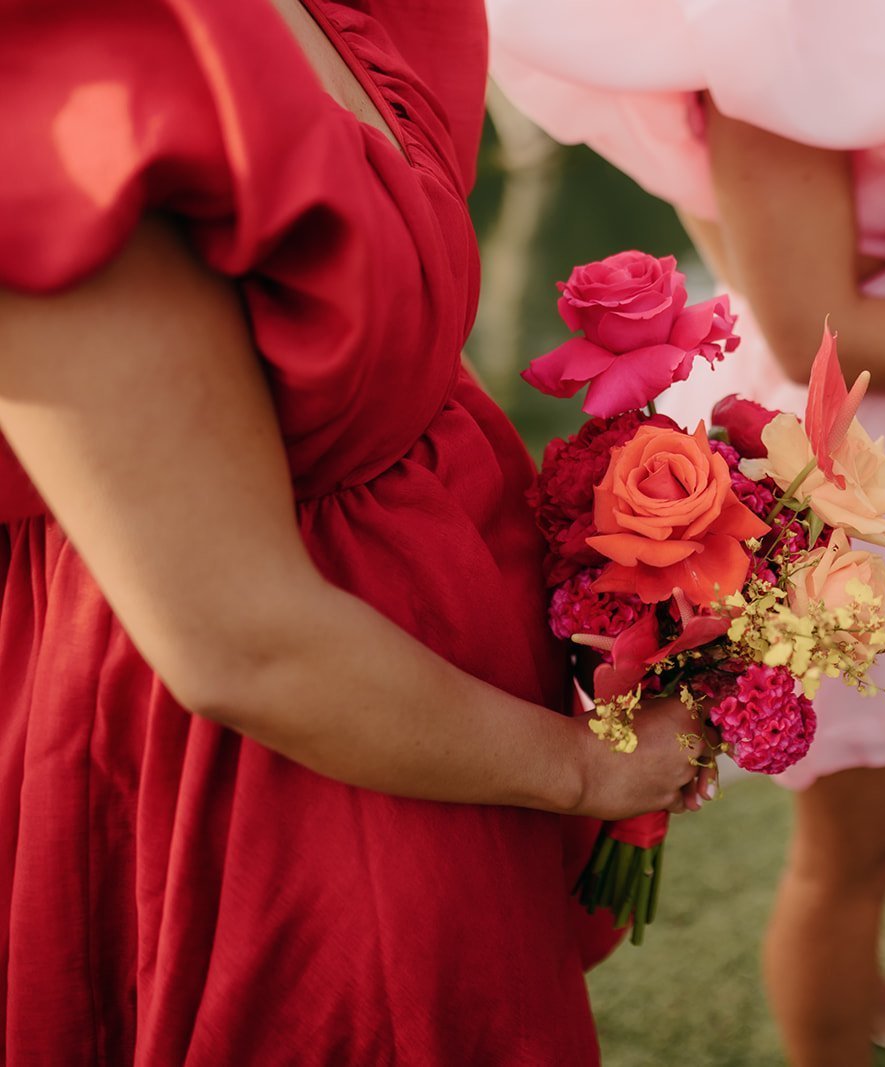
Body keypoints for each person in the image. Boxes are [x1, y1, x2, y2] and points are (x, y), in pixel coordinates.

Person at [0, 1, 716, 1061]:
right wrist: (583, 768)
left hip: (439, 690)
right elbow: (240, 641)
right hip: (292, 766)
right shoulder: (63, 82)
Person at [488, 3, 885, 1062]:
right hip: (869, 457)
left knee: (876, 830)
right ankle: (836, 1017)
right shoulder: (775, 30)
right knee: (850, 850)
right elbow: (824, 325)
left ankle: (866, 991)